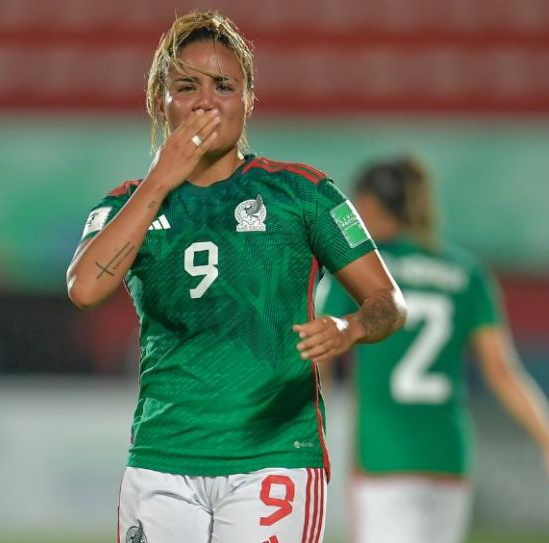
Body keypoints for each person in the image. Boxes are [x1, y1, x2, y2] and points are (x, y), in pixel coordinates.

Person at [65, 11, 407, 543]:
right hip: (162, 458)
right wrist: (160, 180)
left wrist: (351, 328)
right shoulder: (127, 205)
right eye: (187, 87)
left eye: (224, 86)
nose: (206, 102)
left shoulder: (302, 194)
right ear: (160, 100)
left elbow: (389, 302)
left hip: (273, 456)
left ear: (249, 100)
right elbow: (85, 289)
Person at [318, 156, 549, 543]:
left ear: (370, 205)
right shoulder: (466, 272)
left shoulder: (362, 272)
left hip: (383, 457)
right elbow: (502, 371)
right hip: (448, 456)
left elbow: (321, 356)